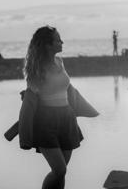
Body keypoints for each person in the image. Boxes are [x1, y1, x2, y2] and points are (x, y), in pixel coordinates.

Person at [21, 26, 85, 189]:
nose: (61, 42)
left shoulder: (59, 61)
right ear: (47, 45)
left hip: (66, 118)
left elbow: (64, 87)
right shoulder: (36, 67)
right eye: (58, 39)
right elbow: (31, 97)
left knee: (62, 171)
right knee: (59, 169)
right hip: (46, 122)